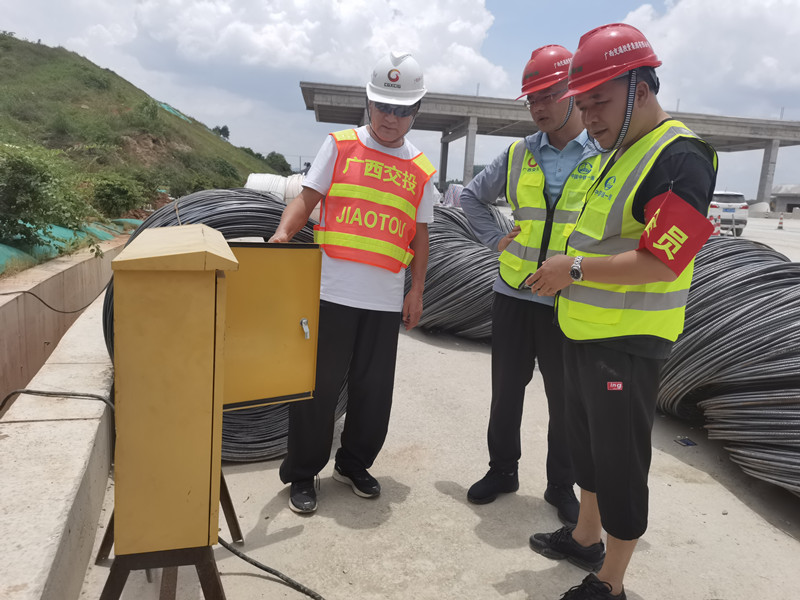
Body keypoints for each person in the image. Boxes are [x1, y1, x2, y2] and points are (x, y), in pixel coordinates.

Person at [525, 24, 717, 599]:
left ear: (642, 87)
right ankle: (586, 536)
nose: (589, 118)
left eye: (600, 103)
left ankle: (611, 580)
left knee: (621, 462)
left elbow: (664, 260)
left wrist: (573, 270)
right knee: (585, 447)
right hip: (583, 330)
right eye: (582, 105)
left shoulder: (680, 157)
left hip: (627, 342)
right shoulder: (618, 151)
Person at [270, 51, 436, 514]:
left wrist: (417, 290)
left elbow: (421, 235)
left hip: (384, 300)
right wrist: (282, 234)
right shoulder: (340, 146)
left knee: (373, 392)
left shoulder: (421, 168)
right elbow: (307, 200)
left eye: (402, 110)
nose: (390, 118)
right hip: (330, 293)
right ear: (368, 103)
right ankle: (303, 473)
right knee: (316, 390)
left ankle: (354, 463)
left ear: (416, 111)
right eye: (383, 106)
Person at [461, 45, 607, 526]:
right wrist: (494, 241)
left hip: (568, 301)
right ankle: (502, 470)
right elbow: (472, 198)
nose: (538, 106)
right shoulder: (518, 153)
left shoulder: (605, 155)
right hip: (513, 294)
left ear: (573, 92)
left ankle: (560, 485)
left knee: (567, 401)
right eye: (531, 99)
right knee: (506, 391)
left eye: (548, 94)